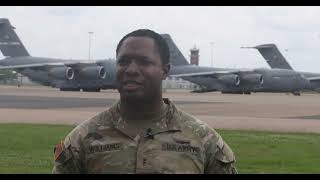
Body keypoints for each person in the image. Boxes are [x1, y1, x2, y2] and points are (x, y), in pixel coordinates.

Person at [52, 29, 237, 174]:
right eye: (123, 61)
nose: (131, 69)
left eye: (144, 62)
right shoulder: (83, 139)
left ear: (165, 70)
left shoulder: (203, 139)